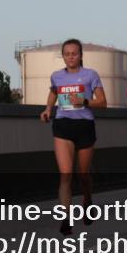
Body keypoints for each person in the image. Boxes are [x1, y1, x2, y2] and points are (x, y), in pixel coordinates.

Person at [41, 39, 107, 235]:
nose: (71, 57)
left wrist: (84, 100)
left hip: (85, 125)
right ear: (63, 56)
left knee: (83, 175)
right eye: (67, 54)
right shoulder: (56, 76)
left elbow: (103, 102)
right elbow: (54, 92)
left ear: (81, 55)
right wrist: (47, 109)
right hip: (63, 124)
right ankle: (66, 217)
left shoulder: (90, 75)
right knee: (66, 174)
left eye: (74, 53)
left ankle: (87, 201)